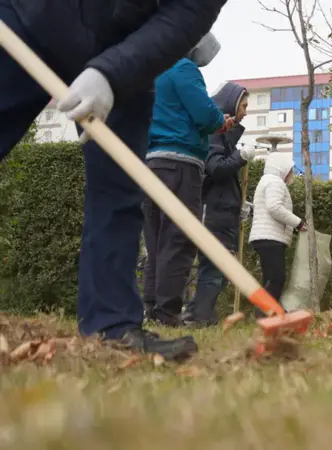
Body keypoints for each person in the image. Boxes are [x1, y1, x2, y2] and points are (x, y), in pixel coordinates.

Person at [0, 0, 227, 360]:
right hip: (28, 17)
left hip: (124, 45)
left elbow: (187, 15)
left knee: (118, 193)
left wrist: (111, 73)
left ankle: (112, 326)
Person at [142, 34, 234, 327]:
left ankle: (152, 307)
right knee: (178, 238)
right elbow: (204, 115)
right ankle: (168, 311)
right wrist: (221, 121)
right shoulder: (183, 68)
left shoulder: (154, 71)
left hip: (152, 162)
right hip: (180, 164)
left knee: (155, 238)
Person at [182, 82, 255, 327]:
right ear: (232, 105)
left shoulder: (224, 136)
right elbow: (215, 168)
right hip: (213, 213)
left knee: (217, 271)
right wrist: (240, 157)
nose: (246, 111)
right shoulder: (214, 132)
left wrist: (240, 205)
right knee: (213, 268)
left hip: (221, 211)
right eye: (243, 106)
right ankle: (197, 315)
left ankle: (201, 313)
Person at [249, 152, 307, 311]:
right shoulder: (275, 182)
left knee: (271, 278)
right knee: (276, 278)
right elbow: (274, 208)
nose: (292, 173)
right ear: (281, 168)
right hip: (270, 238)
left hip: (266, 236)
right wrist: (298, 223)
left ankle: (271, 313)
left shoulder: (267, 181)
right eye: (290, 170)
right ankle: (264, 314)